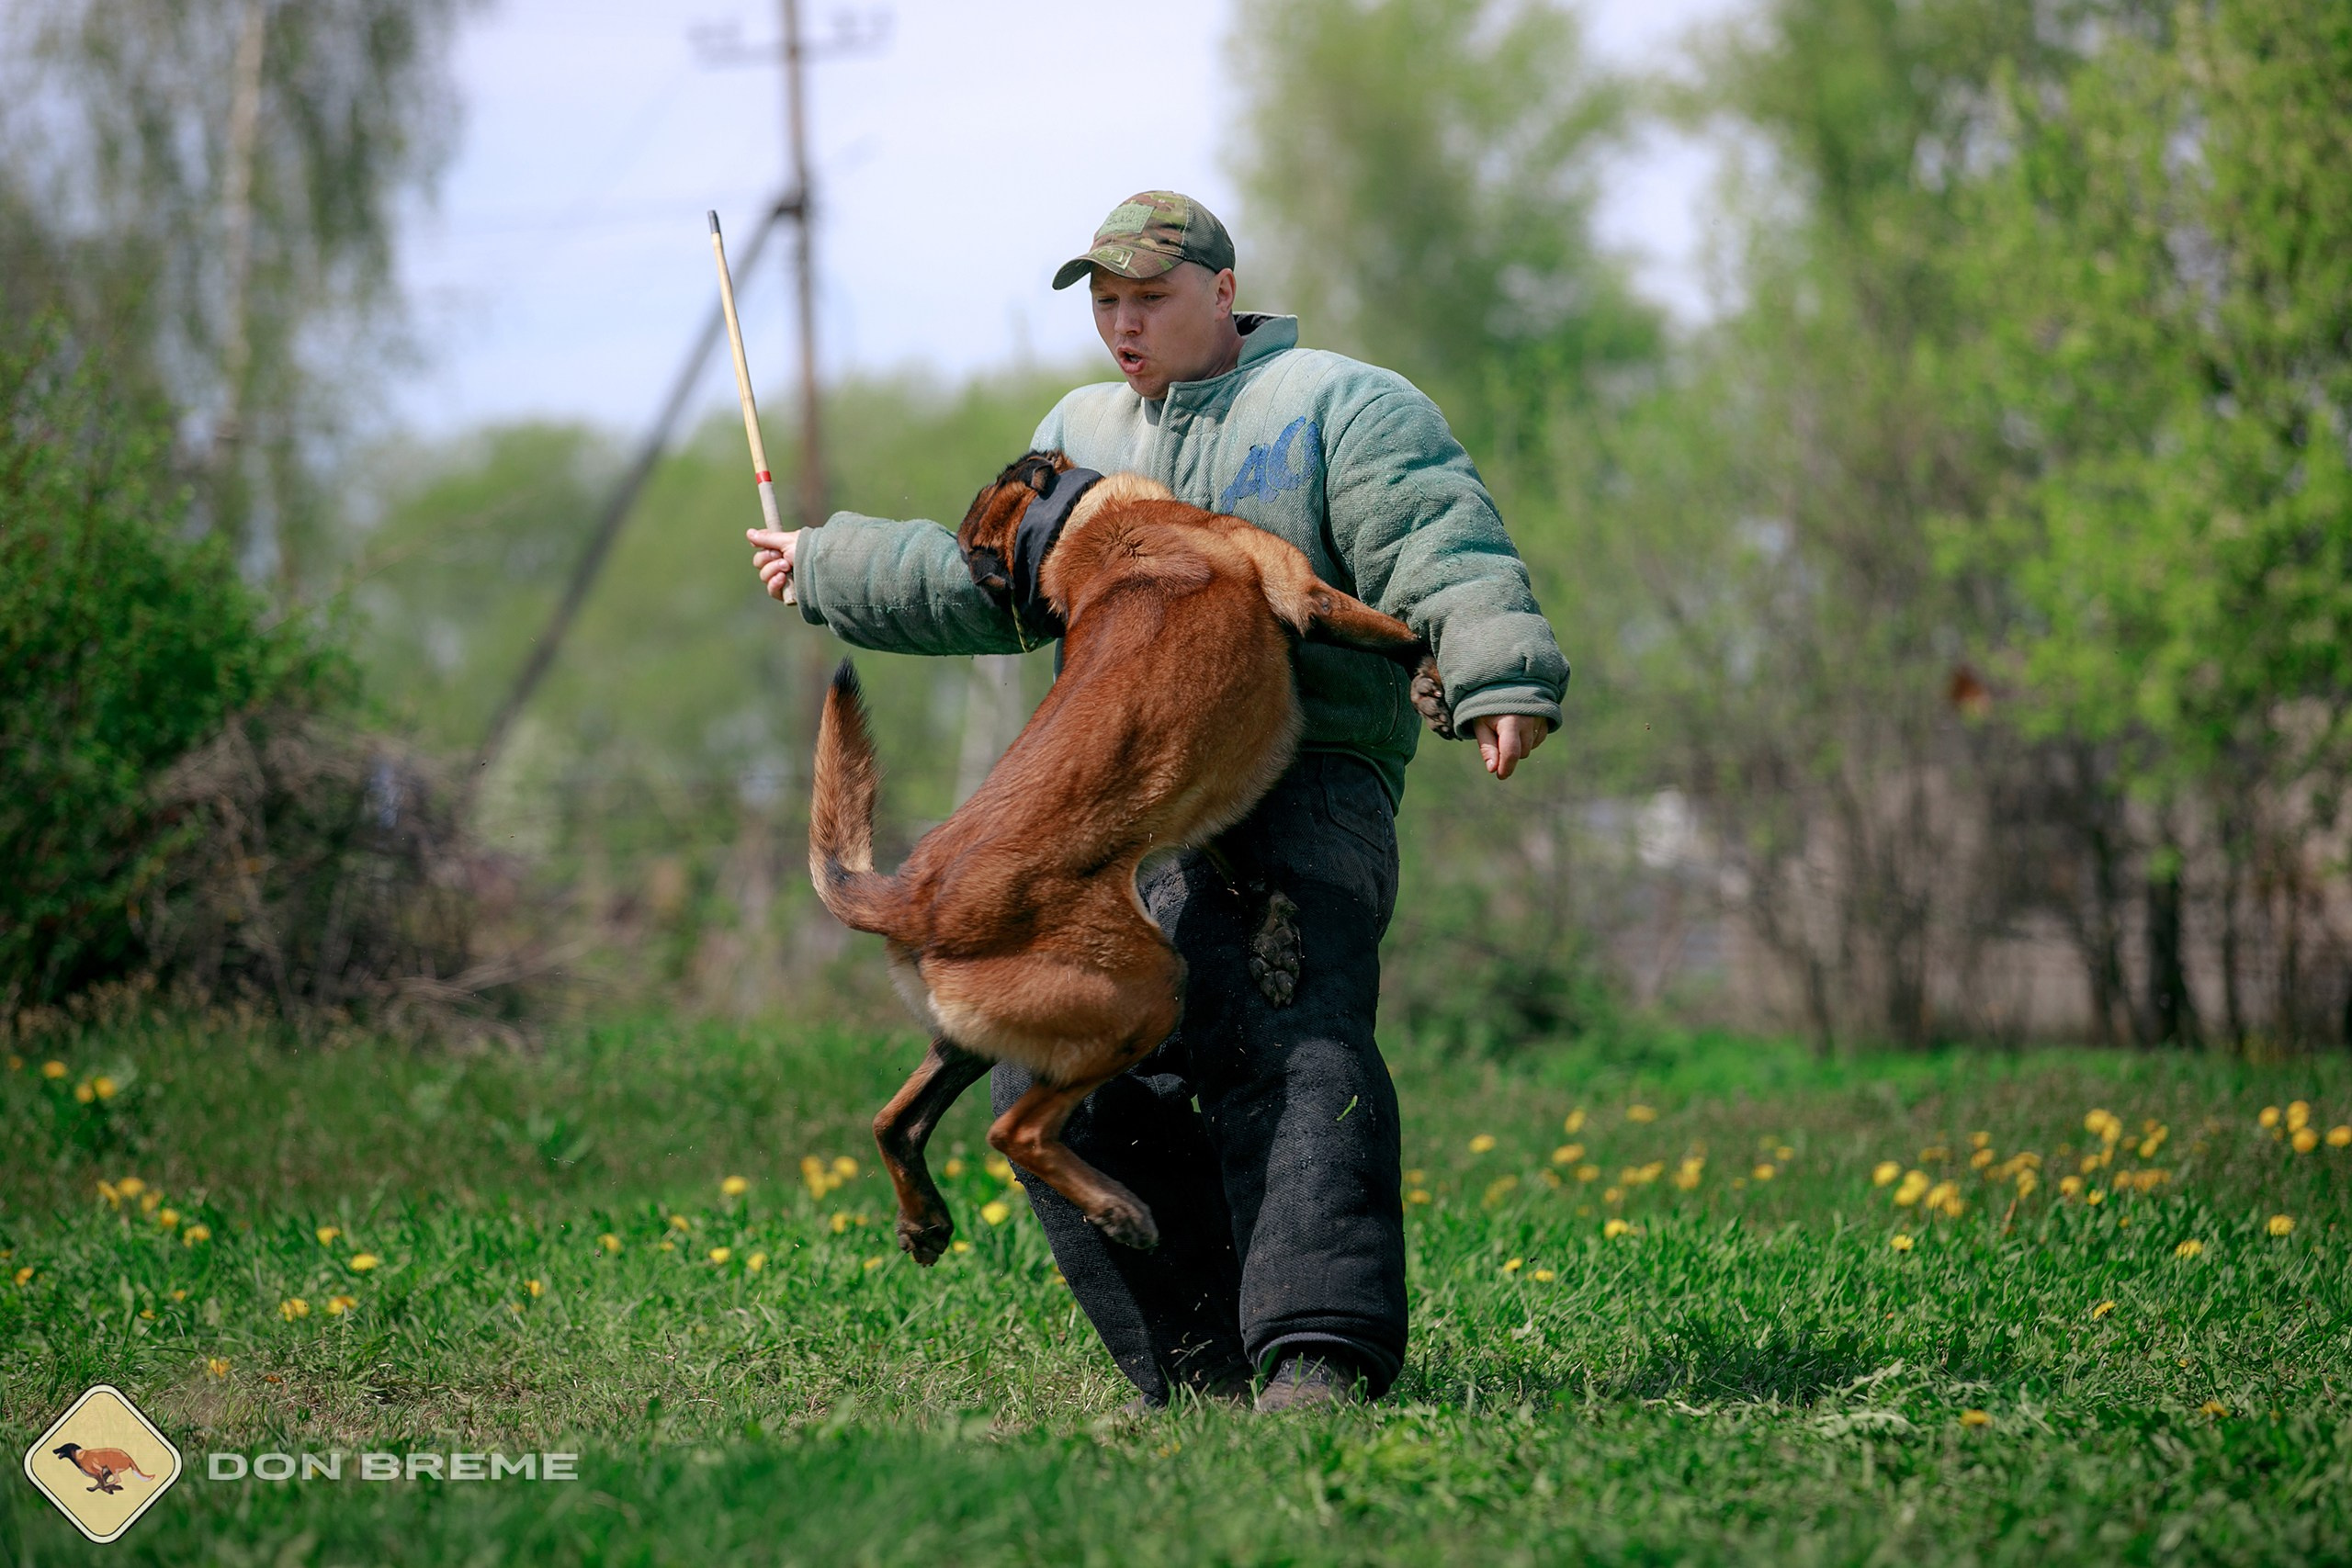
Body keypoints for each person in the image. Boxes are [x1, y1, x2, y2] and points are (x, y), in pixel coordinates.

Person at [747, 191, 1566, 1411]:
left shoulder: (1340, 405)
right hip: (1143, 819)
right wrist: (830, 564)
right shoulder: (1081, 430)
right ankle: (1198, 1375)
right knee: (1075, 1081)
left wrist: (1496, 671)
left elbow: (1441, 544)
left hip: (1306, 789)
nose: (1123, 328)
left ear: (1223, 293)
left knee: (1283, 1041)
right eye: (1107, 305)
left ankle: (1317, 1357)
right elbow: (993, 579)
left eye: (1150, 300)